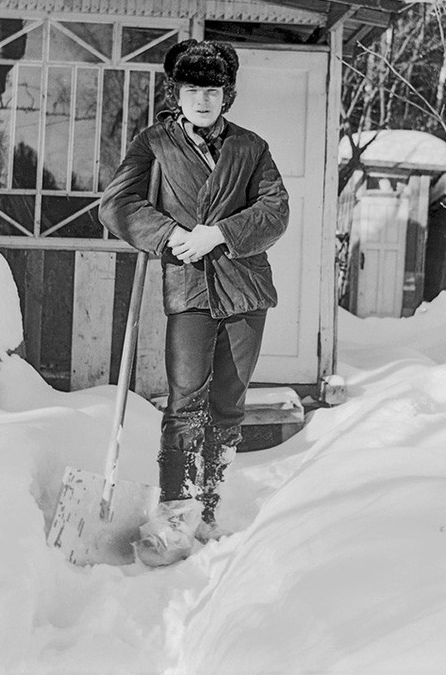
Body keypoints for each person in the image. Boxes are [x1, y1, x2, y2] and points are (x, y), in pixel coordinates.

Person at [98, 39, 289, 560]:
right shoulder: (154, 143)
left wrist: (220, 233)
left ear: (225, 95)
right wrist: (167, 235)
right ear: (176, 92)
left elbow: (275, 210)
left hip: (245, 289)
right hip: (188, 289)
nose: (202, 98)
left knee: (227, 404)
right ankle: (173, 516)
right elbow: (117, 204)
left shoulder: (251, 148)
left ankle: (209, 509)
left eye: (212, 89)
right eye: (192, 89)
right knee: (185, 402)